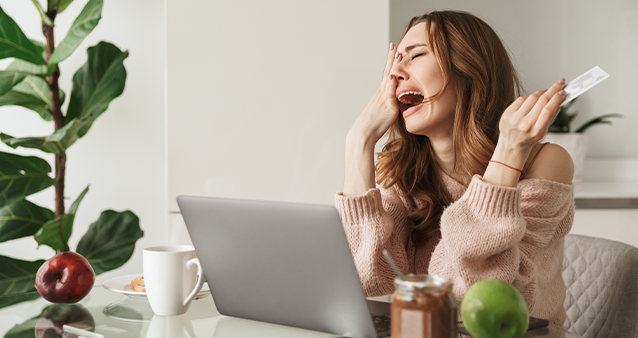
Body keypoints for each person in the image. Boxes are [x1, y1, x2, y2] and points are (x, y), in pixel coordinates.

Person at [335, 10, 574, 326]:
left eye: (416, 55)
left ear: (469, 69)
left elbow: (482, 299)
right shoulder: (400, 167)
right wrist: (359, 142)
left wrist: (508, 155)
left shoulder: (544, 162)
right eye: (394, 62)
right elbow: (371, 281)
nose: (394, 74)